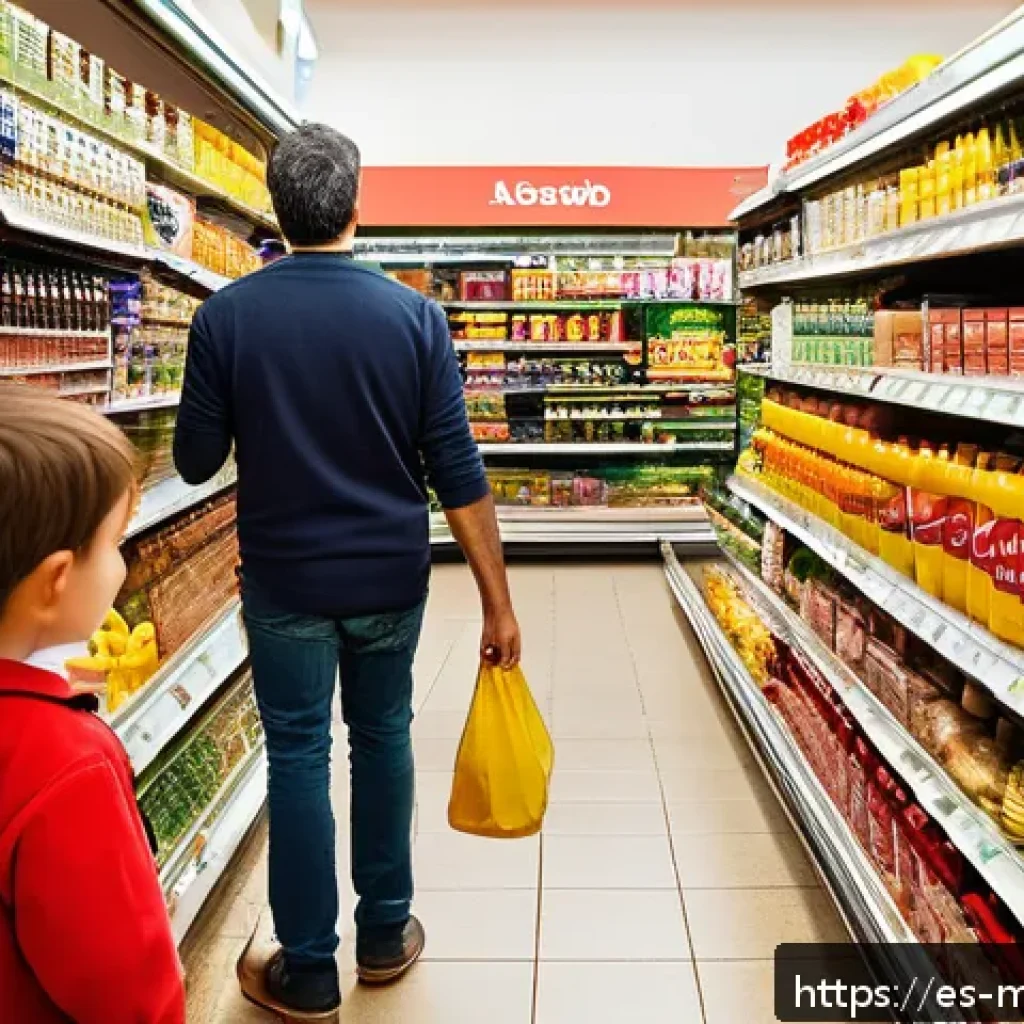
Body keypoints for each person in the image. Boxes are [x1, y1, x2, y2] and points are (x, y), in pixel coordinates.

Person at [174, 123, 520, 1021]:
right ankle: (386, 932)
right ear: (358, 208)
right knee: (384, 738)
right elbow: (457, 468)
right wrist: (498, 604)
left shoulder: (224, 319)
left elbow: (196, 460)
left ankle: (309, 969)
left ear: (276, 212)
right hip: (387, 580)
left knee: (297, 753)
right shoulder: (415, 318)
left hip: (285, 580)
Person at [0, 385, 185, 1024]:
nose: (122, 562)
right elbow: (128, 994)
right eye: (113, 543)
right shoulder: (64, 765)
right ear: (55, 581)